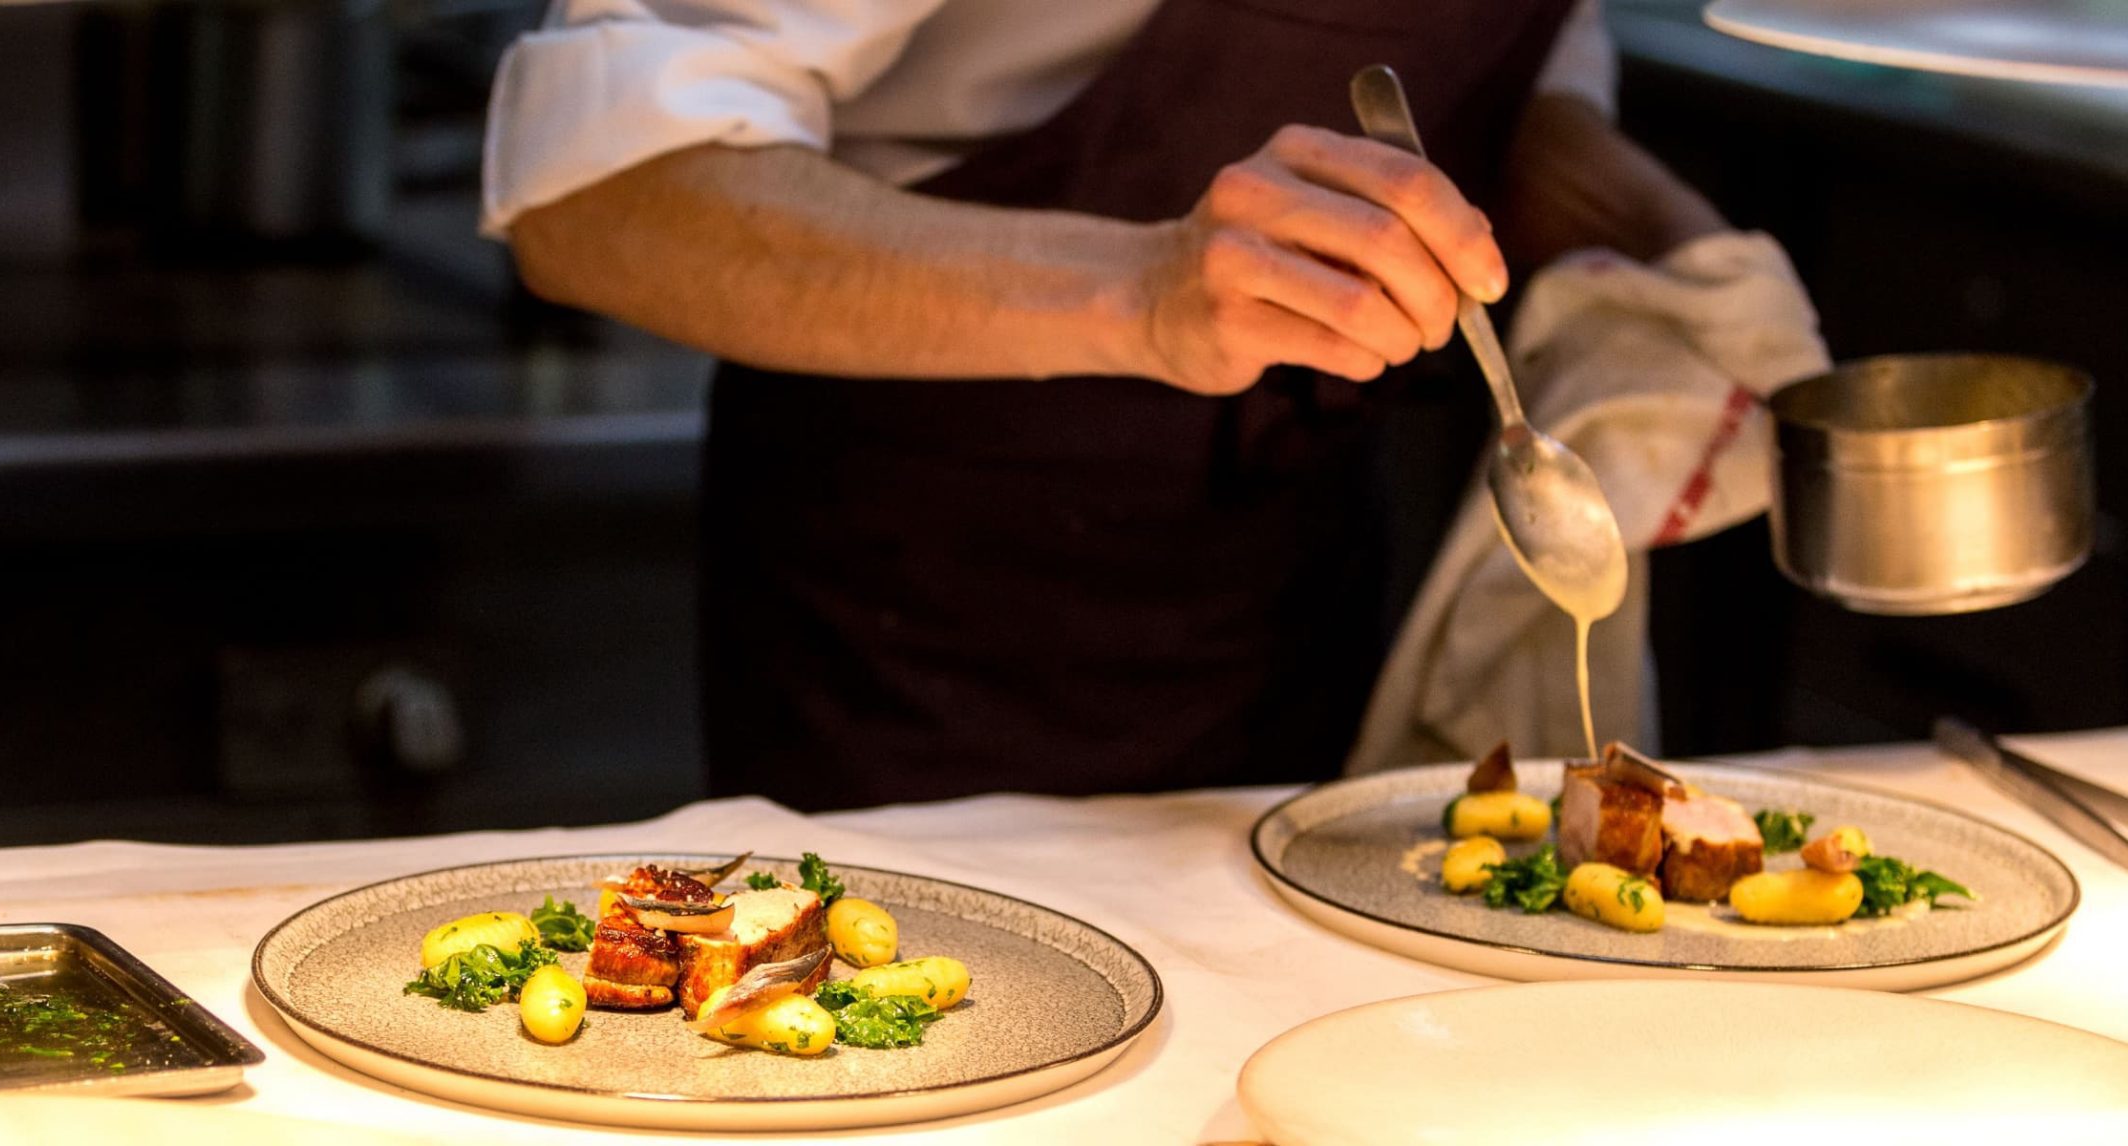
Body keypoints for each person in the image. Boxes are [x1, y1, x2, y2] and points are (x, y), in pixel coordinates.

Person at [485, 0, 1738, 809]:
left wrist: (1697, 276)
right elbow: (596, 193)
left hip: (1285, 585)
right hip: (930, 607)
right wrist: (1141, 292)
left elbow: (1507, 82)